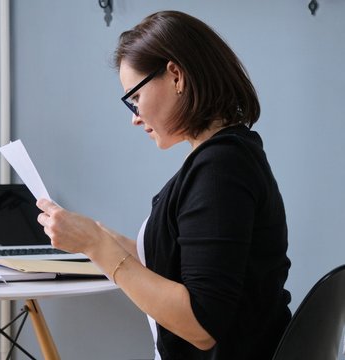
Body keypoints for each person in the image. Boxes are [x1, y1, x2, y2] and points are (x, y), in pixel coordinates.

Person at [36, 10, 291, 360]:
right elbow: (186, 257)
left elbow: (202, 326)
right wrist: (97, 237)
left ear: (175, 75)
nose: (135, 116)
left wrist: (97, 246)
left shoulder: (220, 171)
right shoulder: (228, 157)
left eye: (135, 97)